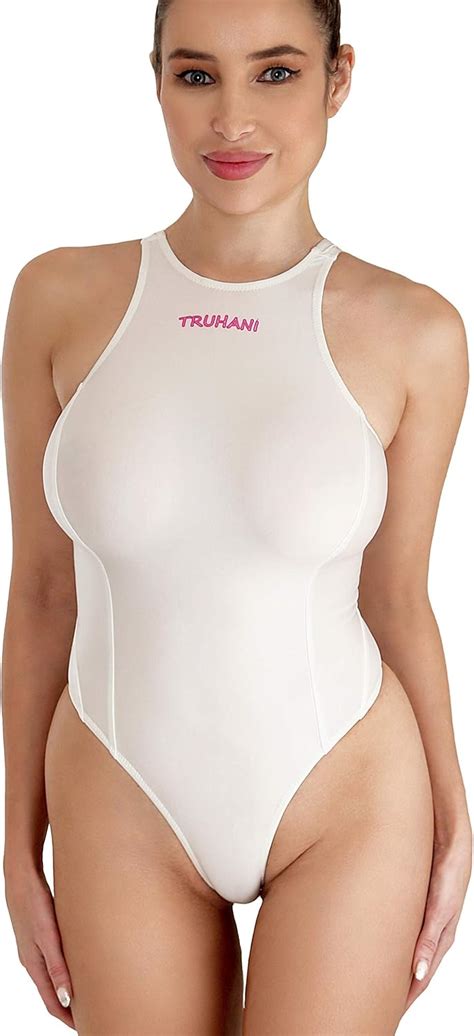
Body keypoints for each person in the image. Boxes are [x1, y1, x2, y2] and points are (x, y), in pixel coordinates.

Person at [1, 1, 472, 1033]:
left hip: (348, 795)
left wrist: (456, 821)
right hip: (118, 788)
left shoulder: (417, 331)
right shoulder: (56, 298)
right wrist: (14, 840)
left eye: (276, 72)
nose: (232, 120)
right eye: (196, 75)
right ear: (157, 80)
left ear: (338, 79)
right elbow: (39, 588)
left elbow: (399, 596)